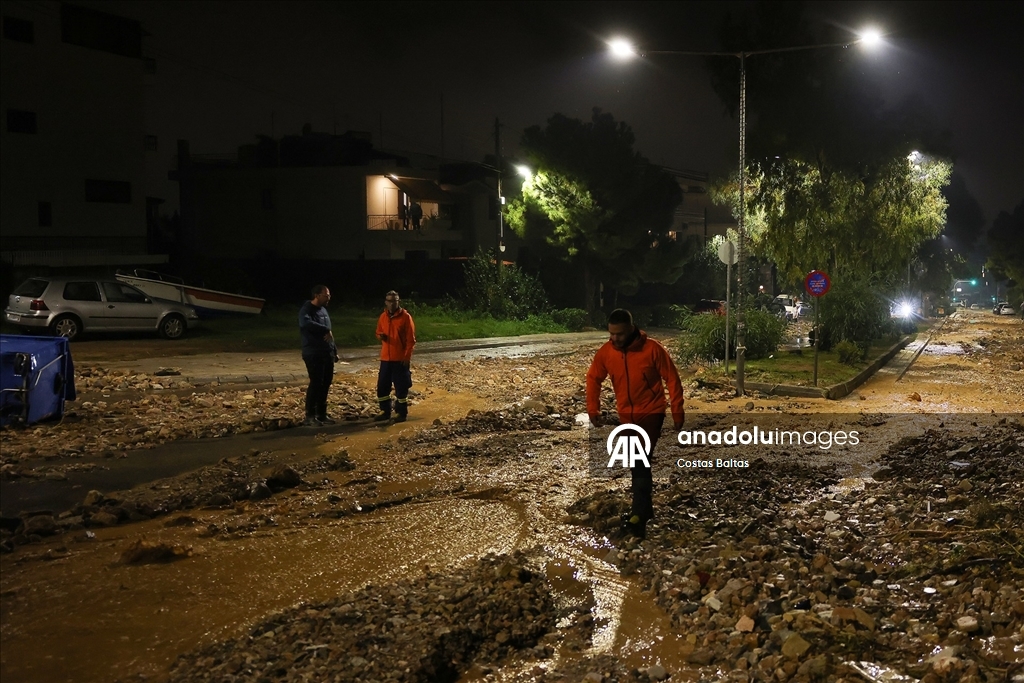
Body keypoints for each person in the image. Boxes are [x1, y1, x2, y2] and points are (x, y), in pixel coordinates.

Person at [586, 308, 685, 539]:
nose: (614, 339)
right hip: (626, 416)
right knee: (636, 462)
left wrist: (677, 411)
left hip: (652, 411)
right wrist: (592, 408)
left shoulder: (653, 349)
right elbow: (593, 378)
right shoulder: (606, 353)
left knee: (640, 460)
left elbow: (672, 378)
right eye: (611, 334)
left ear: (631, 329)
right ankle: (645, 509)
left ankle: (638, 516)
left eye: (619, 334)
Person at [298, 285, 338, 426]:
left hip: (326, 353)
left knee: (325, 383)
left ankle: (321, 414)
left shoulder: (324, 310)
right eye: (326, 295)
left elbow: (329, 334)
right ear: (317, 295)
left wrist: (334, 351)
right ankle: (310, 416)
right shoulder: (306, 309)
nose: (329, 297)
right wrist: (325, 329)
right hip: (313, 353)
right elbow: (305, 323)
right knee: (316, 383)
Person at [375, 290, 416, 422]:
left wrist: (407, 357)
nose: (392, 304)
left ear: (398, 302)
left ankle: (401, 413)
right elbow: (378, 332)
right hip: (386, 358)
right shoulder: (383, 317)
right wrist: (380, 336)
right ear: (386, 302)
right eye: (389, 301)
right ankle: (385, 411)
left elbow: (411, 340)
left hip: (400, 359)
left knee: (401, 388)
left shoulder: (406, 317)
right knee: (382, 386)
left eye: (395, 301)